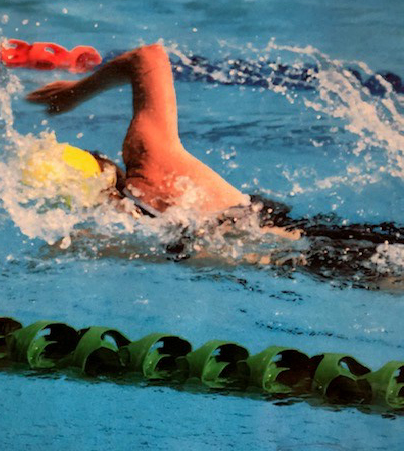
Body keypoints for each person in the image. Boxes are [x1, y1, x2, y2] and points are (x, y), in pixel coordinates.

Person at [26, 44, 404, 286]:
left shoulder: (149, 163)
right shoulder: (123, 230)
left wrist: (76, 91)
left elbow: (149, 57)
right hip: (304, 254)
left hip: (317, 249)